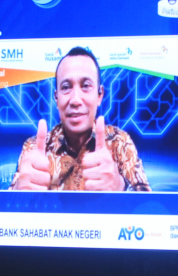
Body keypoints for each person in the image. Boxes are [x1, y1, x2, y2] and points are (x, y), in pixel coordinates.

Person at [10, 46, 150, 191]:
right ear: (56, 98)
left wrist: (120, 186)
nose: (75, 100)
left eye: (86, 86)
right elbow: (3, 203)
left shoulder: (119, 142)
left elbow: (150, 202)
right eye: (66, 87)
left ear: (100, 95)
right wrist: (18, 191)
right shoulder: (33, 149)